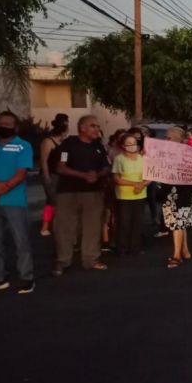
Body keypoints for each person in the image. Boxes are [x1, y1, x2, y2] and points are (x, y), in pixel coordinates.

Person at [0, 112, 35, 294]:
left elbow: (20, 174)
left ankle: (26, 277)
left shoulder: (23, 146)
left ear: (15, 127)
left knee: (21, 240)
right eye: (1, 123)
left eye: (8, 123)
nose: (3, 126)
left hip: (14, 200)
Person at [53, 115, 111, 276]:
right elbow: (61, 167)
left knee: (92, 228)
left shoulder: (99, 146)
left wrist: (98, 175)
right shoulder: (68, 144)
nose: (96, 129)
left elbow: (106, 167)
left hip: (93, 193)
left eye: (98, 126)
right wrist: (83, 175)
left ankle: (91, 259)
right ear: (82, 128)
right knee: (65, 228)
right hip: (68, 192)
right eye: (93, 126)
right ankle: (63, 260)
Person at [158, 127, 192, 268]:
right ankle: (185, 251)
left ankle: (176, 255)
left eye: (168, 137)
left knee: (178, 224)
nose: (166, 140)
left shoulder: (187, 153)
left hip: (182, 192)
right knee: (179, 223)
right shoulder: (165, 153)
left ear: (177, 139)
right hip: (171, 192)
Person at [112, 133, 149, 256]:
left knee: (137, 222)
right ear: (123, 146)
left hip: (140, 195)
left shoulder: (142, 158)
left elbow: (150, 176)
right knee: (123, 223)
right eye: (129, 144)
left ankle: (135, 248)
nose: (132, 146)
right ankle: (122, 248)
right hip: (124, 196)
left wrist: (142, 185)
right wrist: (135, 184)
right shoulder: (119, 159)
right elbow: (116, 178)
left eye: (134, 143)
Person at [40, 113, 69, 237]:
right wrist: (46, 178)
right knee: (56, 202)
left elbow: (64, 159)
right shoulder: (48, 141)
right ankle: (59, 229)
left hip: (61, 175)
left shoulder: (64, 142)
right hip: (51, 175)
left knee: (50, 202)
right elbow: (43, 161)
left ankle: (45, 227)